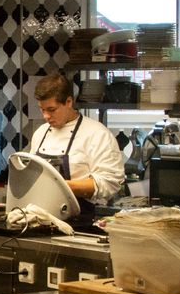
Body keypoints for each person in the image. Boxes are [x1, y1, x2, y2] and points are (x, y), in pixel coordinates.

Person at [26, 71, 126, 210]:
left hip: (81, 217)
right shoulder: (40, 133)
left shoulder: (97, 134)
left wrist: (62, 187)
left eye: (52, 110)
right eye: (42, 110)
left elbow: (110, 182)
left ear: (69, 102)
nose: (46, 116)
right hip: (42, 214)